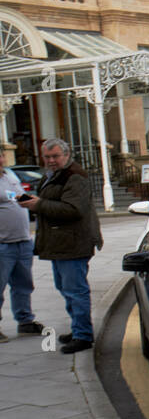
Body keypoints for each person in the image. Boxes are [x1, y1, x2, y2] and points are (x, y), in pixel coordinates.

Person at [18, 138, 102, 353]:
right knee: (66, 289)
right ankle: (78, 330)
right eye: (47, 157)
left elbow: (73, 209)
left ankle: (83, 335)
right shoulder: (53, 176)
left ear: (66, 155)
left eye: (55, 156)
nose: (51, 160)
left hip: (73, 244)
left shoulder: (75, 177)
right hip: (60, 245)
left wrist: (39, 204)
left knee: (75, 291)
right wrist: (37, 202)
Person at [0, 161, 41, 343]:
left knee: (23, 285)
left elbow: (16, 197)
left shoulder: (10, 175)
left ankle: (25, 321)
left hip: (23, 241)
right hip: (3, 243)